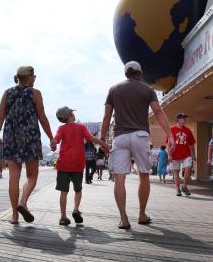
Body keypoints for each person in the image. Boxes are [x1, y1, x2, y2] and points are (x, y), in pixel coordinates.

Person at [100, 61, 174, 230]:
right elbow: (158, 112)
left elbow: (106, 117)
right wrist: (170, 134)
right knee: (143, 174)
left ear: (126, 73)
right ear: (140, 73)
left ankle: (124, 219)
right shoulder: (147, 90)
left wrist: (103, 140)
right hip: (140, 136)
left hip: (120, 137)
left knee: (120, 177)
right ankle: (142, 215)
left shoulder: (113, 89)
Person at [0, 66, 54, 225]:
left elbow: (0, 117)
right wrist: (51, 137)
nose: (35, 79)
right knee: (32, 176)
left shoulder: (7, 93)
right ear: (30, 77)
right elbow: (42, 117)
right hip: (30, 137)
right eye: (34, 76)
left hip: (11, 136)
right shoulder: (35, 93)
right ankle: (23, 202)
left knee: (14, 176)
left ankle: (14, 216)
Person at [51, 107, 109, 226]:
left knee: (63, 191)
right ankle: (76, 209)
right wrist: (104, 144)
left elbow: (56, 140)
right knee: (78, 189)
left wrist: (53, 144)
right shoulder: (81, 127)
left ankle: (63, 217)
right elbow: (91, 138)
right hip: (77, 163)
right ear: (71, 114)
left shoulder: (61, 128)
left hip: (63, 163)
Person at [169, 113, 196, 196]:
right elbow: (168, 143)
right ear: (178, 119)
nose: (184, 120)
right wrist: (169, 155)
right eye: (183, 118)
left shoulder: (188, 130)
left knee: (188, 168)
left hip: (186, 154)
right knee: (176, 172)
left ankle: (184, 186)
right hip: (175, 153)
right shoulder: (172, 129)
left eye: (185, 118)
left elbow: (191, 144)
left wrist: (194, 155)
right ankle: (177, 189)